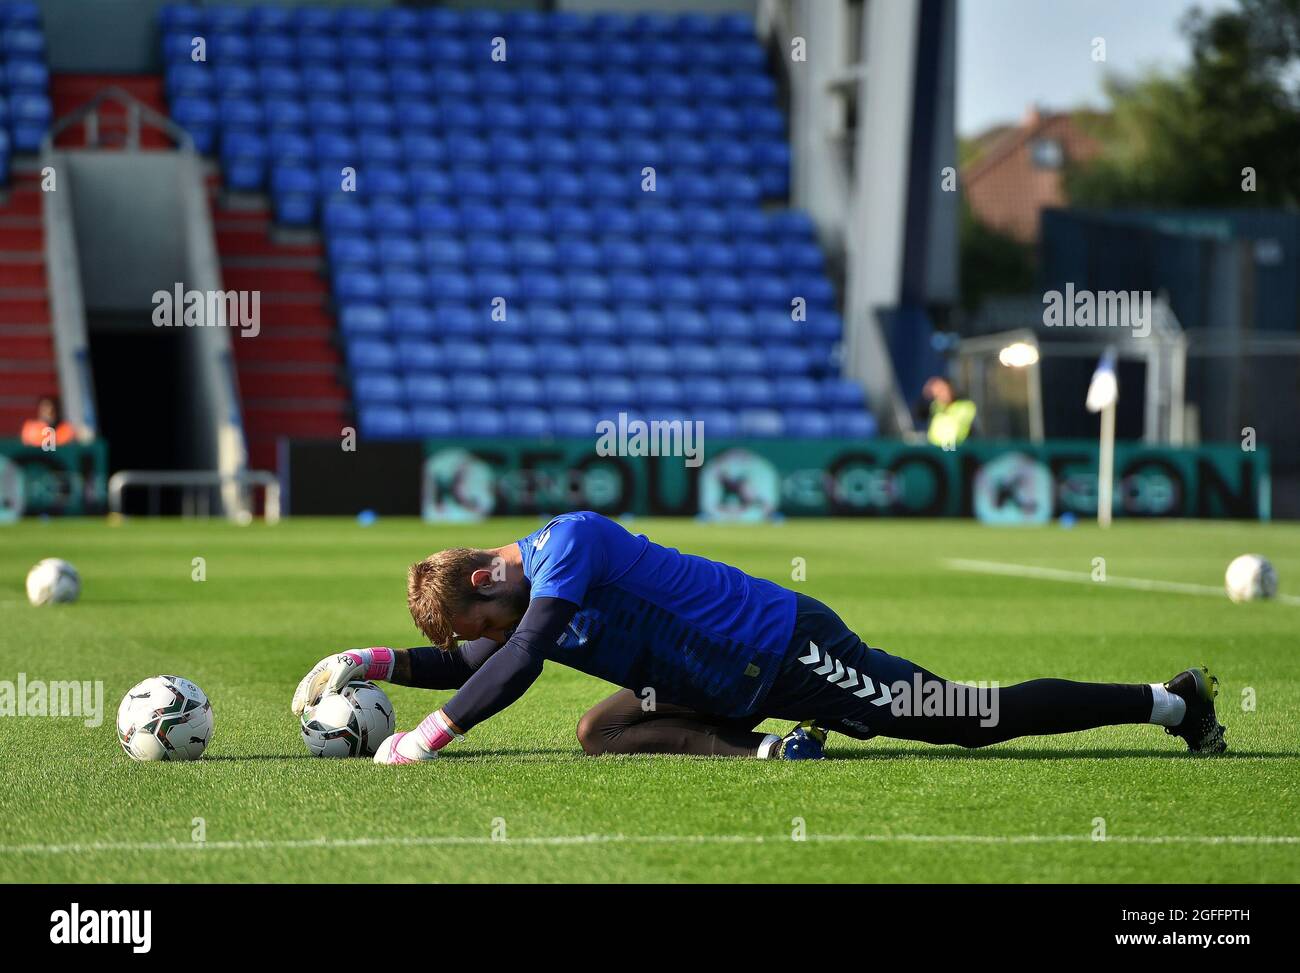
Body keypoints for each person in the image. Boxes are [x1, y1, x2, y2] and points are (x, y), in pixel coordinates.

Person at [290, 512, 1227, 763]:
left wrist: (426, 737)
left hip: (781, 649)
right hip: (715, 686)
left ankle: (1173, 700)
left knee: (964, 717)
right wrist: (366, 662)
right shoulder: (521, 597)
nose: (486, 638)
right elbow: (486, 656)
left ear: (492, 578)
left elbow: (521, 655)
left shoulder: (564, 545)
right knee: (599, 730)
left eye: (482, 620)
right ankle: (763, 749)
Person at [918, 376, 976, 448]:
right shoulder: (936, 406)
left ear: (951, 389)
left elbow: (957, 430)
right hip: (937, 449)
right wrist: (927, 394)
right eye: (938, 391)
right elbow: (919, 414)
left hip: (956, 449)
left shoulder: (965, 406)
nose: (940, 394)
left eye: (942, 390)